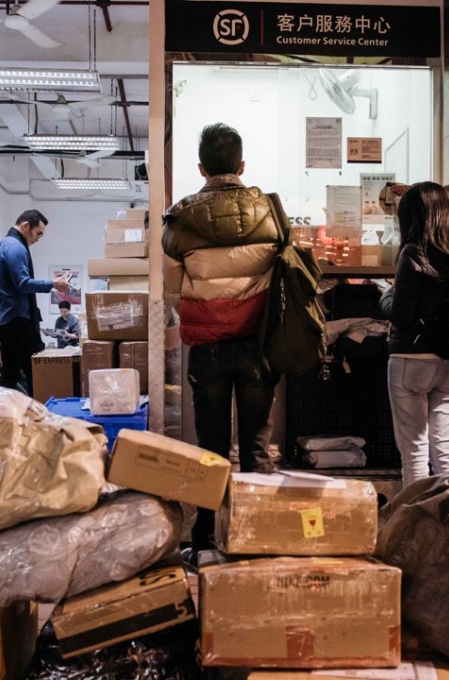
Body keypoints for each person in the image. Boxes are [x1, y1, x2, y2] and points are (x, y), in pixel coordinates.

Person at [163, 122, 284, 559]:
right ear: (241, 165)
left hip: (208, 348)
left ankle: (206, 544)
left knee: (211, 449)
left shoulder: (180, 219)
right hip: (257, 345)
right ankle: (258, 538)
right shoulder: (269, 211)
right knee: (256, 448)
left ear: (201, 168)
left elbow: (172, 288)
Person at [379, 182, 449, 489]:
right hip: (448, 358)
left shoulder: (413, 252)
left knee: (414, 450)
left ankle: (416, 514)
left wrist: (385, 295)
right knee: (444, 446)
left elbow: (402, 314)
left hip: (411, 358)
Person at [0, 209, 69, 394]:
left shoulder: (3, 244)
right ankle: (37, 411)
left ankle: (5, 410)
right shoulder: (16, 248)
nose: (37, 239)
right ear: (26, 226)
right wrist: (54, 284)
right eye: (37, 233)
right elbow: (23, 284)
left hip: (5, 321)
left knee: (9, 375)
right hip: (18, 322)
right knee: (36, 374)